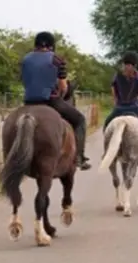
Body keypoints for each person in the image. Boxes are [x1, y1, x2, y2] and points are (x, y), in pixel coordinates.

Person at [20, 32, 91, 170]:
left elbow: (24, 81)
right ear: (51, 46)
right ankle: (79, 158)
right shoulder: (57, 59)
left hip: (28, 102)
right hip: (50, 101)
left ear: (36, 45)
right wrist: (60, 93)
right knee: (80, 120)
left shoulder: (25, 59)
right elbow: (63, 86)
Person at [103, 51, 138, 160]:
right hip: (136, 108)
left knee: (106, 124)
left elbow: (114, 95)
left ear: (124, 64)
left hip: (119, 109)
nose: (128, 67)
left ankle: (107, 151)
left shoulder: (116, 76)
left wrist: (117, 106)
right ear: (135, 65)